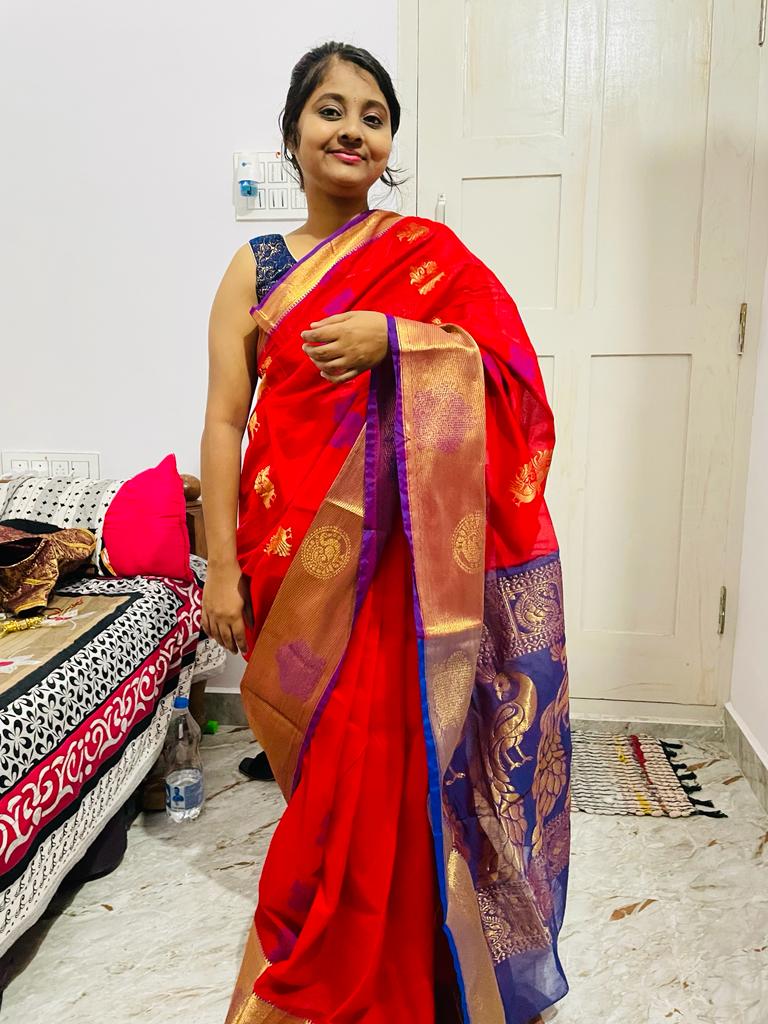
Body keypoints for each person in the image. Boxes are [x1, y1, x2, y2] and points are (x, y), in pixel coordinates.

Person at [200, 40, 571, 1024]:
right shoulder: (256, 268)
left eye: (374, 116)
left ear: (390, 144)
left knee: (396, 760)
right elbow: (225, 422)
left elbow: (512, 372)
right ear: (293, 132)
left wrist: (396, 339)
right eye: (331, 109)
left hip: (401, 575)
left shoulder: (425, 256)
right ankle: (328, 932)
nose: (352, 130)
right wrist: (221, 570)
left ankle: (403, 956)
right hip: (293, 561)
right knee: (329, 772)